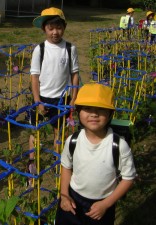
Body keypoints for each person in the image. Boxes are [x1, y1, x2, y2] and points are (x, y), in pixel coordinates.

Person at [56, 83, 136, 225]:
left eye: (100, 109)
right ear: (78, 112)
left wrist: (106, 204)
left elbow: (128, 179)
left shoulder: (118, 146)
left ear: (110, 114)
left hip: (103, 204)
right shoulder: (73, 141)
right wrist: (64, 195)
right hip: (73, 200)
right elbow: (66, 167)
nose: (94, 114)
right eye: (87, 108)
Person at [26, 7, 79, 186]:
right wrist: (37, 101)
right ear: (44, 29)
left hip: (61, 99)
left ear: (64, 27)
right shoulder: (39, 50)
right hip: (42, 98)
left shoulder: (70, 49)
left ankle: (58, 163)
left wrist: (73, 98)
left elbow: (75, 75)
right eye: (51, 28)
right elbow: (34, 77)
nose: (55, 32)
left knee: (59, 131)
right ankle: (31, 163)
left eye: (58, 27)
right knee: (35, 131)